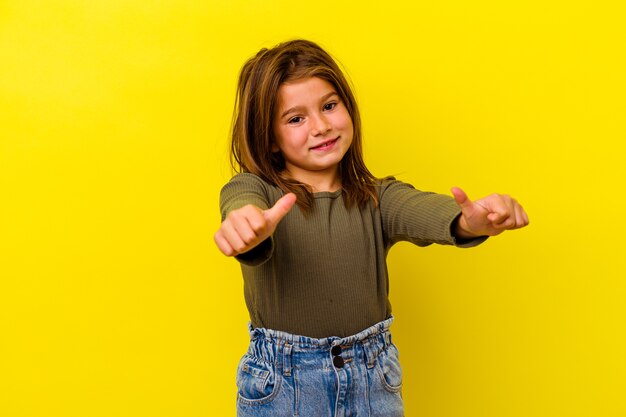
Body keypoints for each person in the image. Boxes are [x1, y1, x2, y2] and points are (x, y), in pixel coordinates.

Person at [214, 39, 529, 417]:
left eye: (329, 106)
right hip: (283, 384)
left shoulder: (376, 198)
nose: (322, 126)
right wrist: (245, 224)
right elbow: (241, 204)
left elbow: (423, 210)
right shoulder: (255, 190)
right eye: (296, 118)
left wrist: (469, 220)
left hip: (371, 379)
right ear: (269, 137)